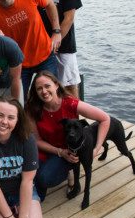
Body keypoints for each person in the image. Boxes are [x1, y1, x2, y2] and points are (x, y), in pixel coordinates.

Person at [26, 71, 110, 201]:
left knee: (44, 178)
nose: (44, 91)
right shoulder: (33, 108)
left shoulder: (70, 103)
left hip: (69, 152)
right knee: (28, 171)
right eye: (39, 88)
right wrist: (59, 151)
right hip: (46, 149)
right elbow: (37, 140)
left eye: (47, 86)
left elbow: (105, 119)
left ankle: (69, 173)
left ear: (56, 85)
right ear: (35, 92)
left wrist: (97, 148)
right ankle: (35, 199)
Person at [0, 0, 61, 101]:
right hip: (19, 64)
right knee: (19, 102)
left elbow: (50, 4)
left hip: (45, 55)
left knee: (52, 96)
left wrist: (56, 31)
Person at [30, 0, 83, 98]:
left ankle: (74, 120)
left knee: (70, 86)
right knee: (47, 88)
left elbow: (69, 17)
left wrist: (56, 40)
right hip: (42, 50)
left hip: (65, 46)